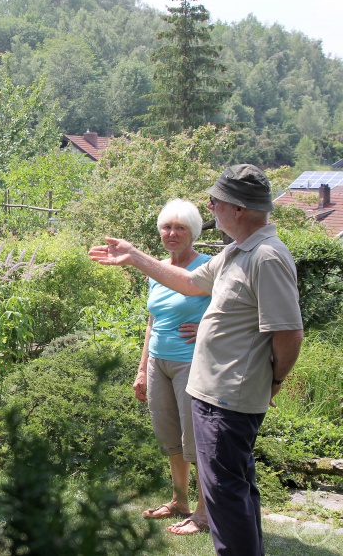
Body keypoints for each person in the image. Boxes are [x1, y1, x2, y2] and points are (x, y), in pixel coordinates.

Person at [88, 164, 303, 556]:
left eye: (215, 202)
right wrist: (135, 257)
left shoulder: (267, 257)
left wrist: (273, 382)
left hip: (229, 397)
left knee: (224, 495)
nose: (211, 208)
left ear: (237, 208)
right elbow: (188, 282)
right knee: (233, 490)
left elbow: (288, 333)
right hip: (210, 392)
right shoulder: (235, 252)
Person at [136, 199, 210, 535]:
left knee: (196, 440)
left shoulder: (208, 267)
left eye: (180, 227)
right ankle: (179, 500)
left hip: (192, 363)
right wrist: (142, 368)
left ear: (193, 232)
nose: (172, 233)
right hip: (158, 363)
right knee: (170, 438)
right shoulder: (158, 270)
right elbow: (152, 323)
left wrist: (207, 326)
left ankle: (204, 513)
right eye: (167, 227)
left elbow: (238, 309)